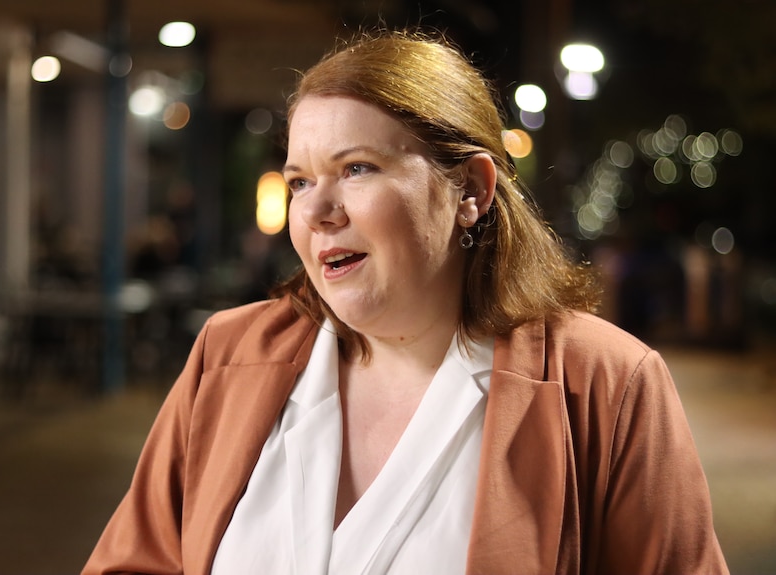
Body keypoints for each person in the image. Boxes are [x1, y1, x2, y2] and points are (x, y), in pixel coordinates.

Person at [82, 29, 728, 575]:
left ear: (471, 189)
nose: (317, 211)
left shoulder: (604, 383)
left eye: (357, 168)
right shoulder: (229, 354)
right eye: (301, 179)